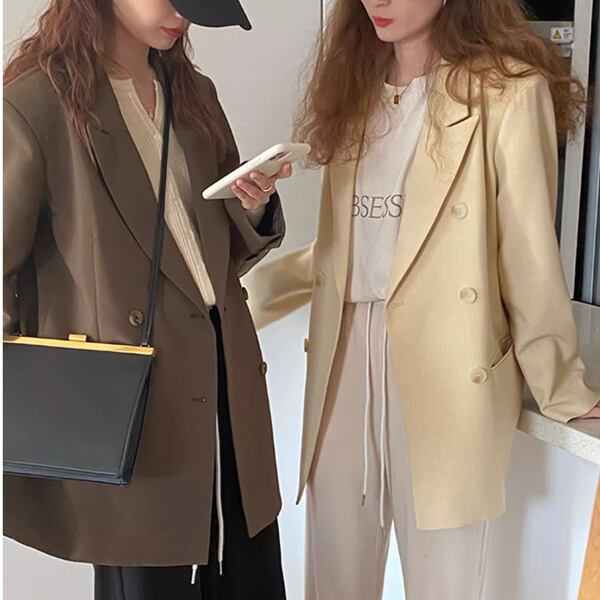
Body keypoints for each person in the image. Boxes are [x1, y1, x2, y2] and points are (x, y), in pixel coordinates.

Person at [244, 0, 600, 598]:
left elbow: (529, 257)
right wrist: (240, 297)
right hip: (343, 359)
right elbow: (350, 250)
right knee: (333, 578)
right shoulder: (353, 90)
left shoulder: (509, 94)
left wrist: (563, 387)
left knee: (446, 580)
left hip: (448, 363)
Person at [3, 0, 291, 598]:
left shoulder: (193, 94)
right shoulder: (36, 105)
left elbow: (213, 260)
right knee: (148, 581)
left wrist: (256, 205)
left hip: (226, 380)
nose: (182, 14)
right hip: (129, 405)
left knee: (249, 573)